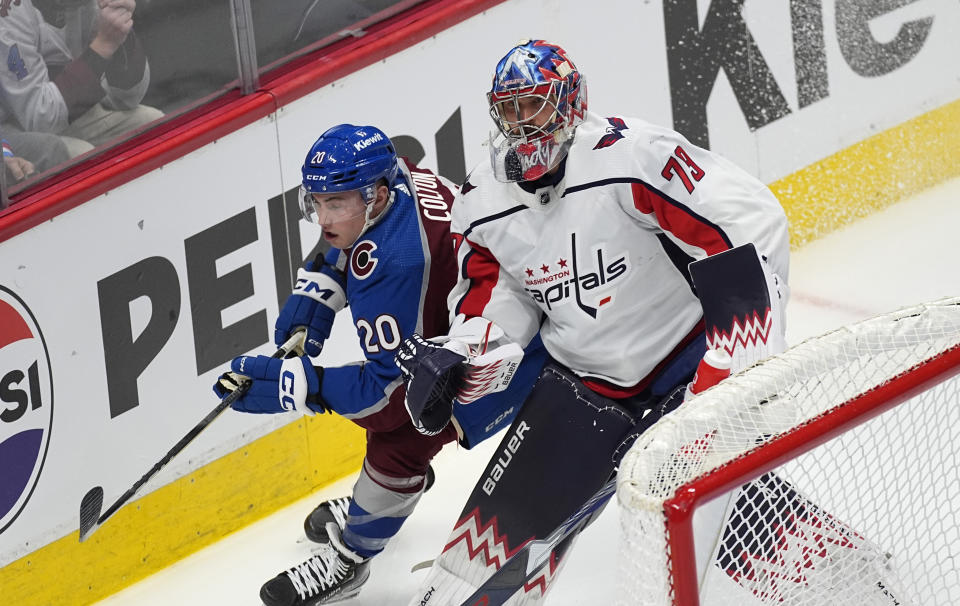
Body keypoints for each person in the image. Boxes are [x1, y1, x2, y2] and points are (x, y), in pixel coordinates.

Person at [397, 39, 791, 604]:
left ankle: (859, 587)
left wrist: (738, 358)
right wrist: (463, 354)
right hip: (582, 387)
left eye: (532, 105)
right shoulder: (483, 200)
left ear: (570, 103)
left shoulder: (632, 157)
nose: (520, 124)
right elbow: (497, 298)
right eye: (508, 109)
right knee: (478, 564)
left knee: (740, 521)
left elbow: (747, 220)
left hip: (685, 369)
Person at [211, 123, 546, 606]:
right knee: (409, 417)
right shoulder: (397, 180)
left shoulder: (395, 266)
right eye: (317, 202)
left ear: (376, 196)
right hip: (498, 309)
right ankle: (386, 498)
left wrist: (298, 385)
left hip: (516, 351)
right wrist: (322, 285)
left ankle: (348, 562)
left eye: (337, 203)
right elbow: (344, 237)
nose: (324, 217)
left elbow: (391, 398)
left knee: (401, 437)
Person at [0, 0, 161, 161]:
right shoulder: (8, 14)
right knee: (83, 159)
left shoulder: (89, 4)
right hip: (12, 127)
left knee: (154, 125)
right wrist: (104, 45)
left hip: (65, 114)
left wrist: (121, 32)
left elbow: (126, 99)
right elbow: (38, 117)